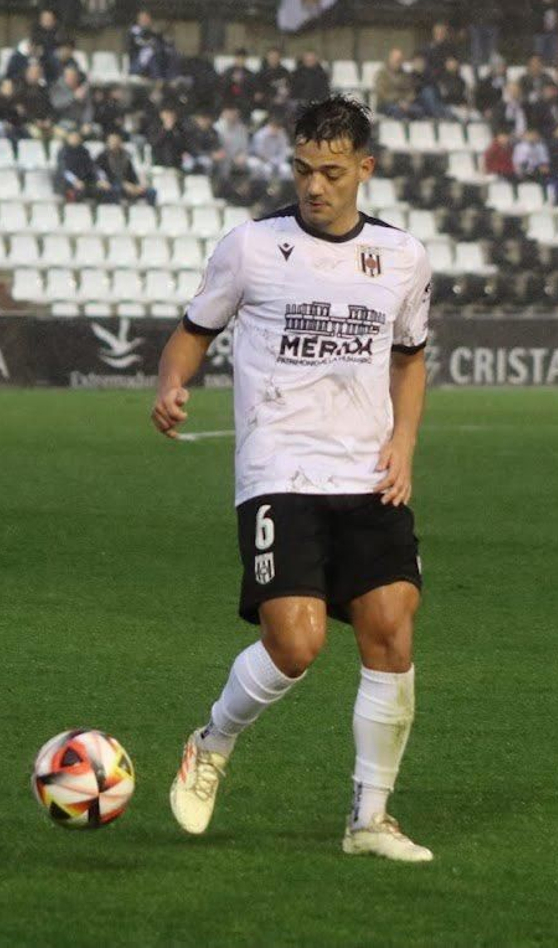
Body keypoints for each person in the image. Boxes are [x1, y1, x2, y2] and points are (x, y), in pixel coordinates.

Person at [150, 94, 434, 862]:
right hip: (279, 468)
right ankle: (212, 741)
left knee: (390, 632)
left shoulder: (403, 258)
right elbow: (192, 332)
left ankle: (369, 818)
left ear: (364, 171)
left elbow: (411, 358)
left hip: (368, 470)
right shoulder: (250, 246)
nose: (315, 185)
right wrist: (173, 383)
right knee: (297, 642)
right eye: (305, 169)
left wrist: (405, 441)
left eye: (332, 172)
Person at [96, 132, 155, 204]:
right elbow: (103, 174)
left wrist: (137, 185)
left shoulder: (126, 156)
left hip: (129, 185)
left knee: (151, 192)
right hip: (112, 184)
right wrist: (123, 184)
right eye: (112, 141)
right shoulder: (103, 157)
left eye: (116, 141)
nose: (114, 143)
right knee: (117, 190)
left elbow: (132, 174)